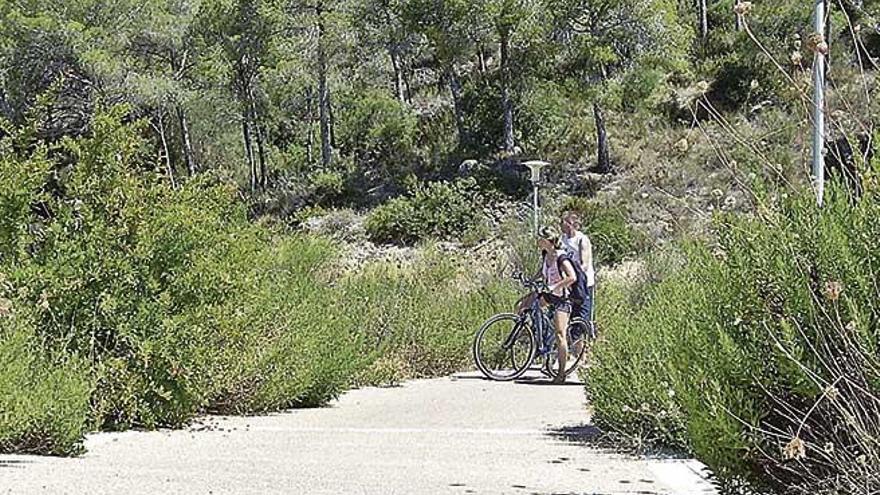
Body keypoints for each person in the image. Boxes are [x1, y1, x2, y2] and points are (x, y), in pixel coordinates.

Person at [534, 228, 582, 384]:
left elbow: (572, 277)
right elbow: (544, 272)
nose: (538, 241)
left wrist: (555, 286)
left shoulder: (561, 258)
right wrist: (531, 279)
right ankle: (538, 335)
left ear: (549, 241)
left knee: (560, 334)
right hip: (551, 294)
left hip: (563, 298)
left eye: (541, 239)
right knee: (526, 306)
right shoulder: (545, 255)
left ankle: (561, 373)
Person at [559, 212, 595, 331]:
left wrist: (572, 276)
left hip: (583, 284)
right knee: (570, 315)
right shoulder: (562, 240)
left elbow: (584, 265)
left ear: (570, 224)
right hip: (569, 283)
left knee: (583, 316)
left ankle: (584, 343)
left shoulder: (582, 240)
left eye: (562, 222)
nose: (560, 225)